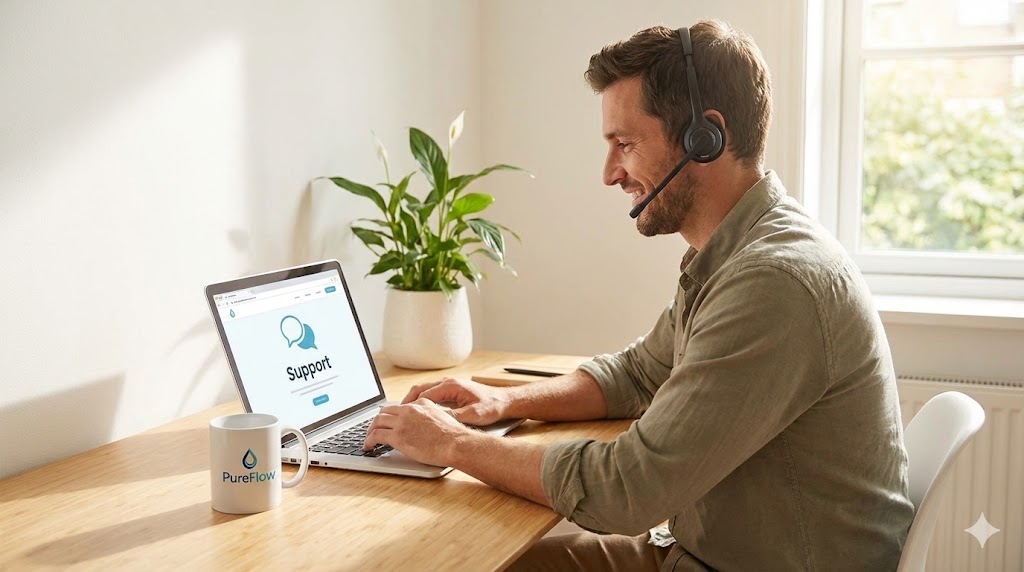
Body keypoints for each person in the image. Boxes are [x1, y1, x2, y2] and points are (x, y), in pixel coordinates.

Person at [364, 20, 914, 571]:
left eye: (624, 144)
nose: (609, 174)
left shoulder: (773, 283)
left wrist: (455, 445)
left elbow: (626, 491)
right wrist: (503, 401)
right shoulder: (738, 252)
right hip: (703, 549)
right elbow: (637, 374)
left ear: (706, 137)